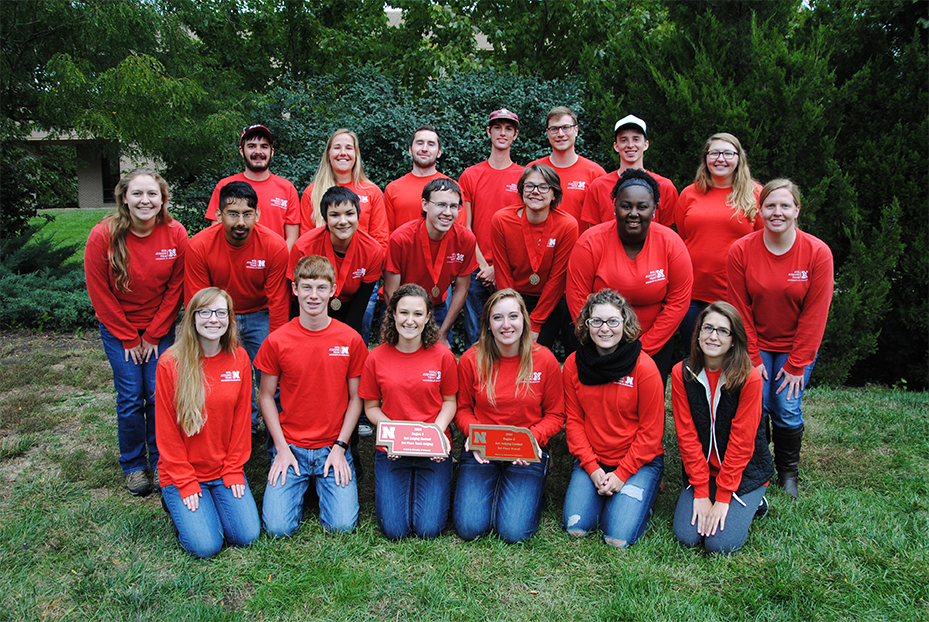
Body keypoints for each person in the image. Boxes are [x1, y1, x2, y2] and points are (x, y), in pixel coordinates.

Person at [727, 179, 834, 499]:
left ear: (797, 210)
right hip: (753, 345)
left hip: (796, 348)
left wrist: (798, 363)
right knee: (754, 405)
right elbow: (739, 308)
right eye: (770, 206)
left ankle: (788, 473)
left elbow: (815, 315)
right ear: (759, 210)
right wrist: (754, 358)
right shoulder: (741, 250)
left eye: (785, 206)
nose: (777, 212)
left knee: (786, 407)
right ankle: (758, 467)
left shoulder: (818, 253)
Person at [84, 167, 187, 496]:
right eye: (138, 194)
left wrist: (154, 333)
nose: (145, 200)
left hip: (160, 327)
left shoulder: (175, 233)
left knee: (159, 394)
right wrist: (129, 336)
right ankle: (133, 464)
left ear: (162, 199)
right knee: (131, 396)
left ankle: (160, 460)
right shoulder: (104, 235)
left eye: (152, 194)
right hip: (119, 328)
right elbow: (99, 291)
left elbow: (176, 288)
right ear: (124, 198)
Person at [256, 255, 367, 536]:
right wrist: (280, 448)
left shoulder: (350, 339)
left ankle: (320, 486)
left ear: (333, 290)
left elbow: (357, 397)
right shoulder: (277, 340)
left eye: (321, 287)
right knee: (278, 529)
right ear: (294, 290)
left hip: (332, 447)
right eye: (306, 287)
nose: (313, 296)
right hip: (291, 446)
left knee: (342, 526)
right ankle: (302, 484)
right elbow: (266, 396)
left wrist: (341, 447)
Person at [155, 288, 260, 558]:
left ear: (229, 319)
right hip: (183, 473)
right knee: (206, 546)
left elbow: (241, 422)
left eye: (220, 312)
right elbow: (166, 432)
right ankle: (177, 501)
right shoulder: (170, 363)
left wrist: (234, 468)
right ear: (192, 318)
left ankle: (208, 504)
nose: (213, 319)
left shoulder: (239, 359)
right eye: (205, 312)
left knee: (247, 535)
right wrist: (186, 481)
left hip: (223, 469)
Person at [453, 289, 565, 543]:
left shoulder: (544, 360)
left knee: (514, 532)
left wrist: (531, 439)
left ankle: (530, 485)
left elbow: (557, 414)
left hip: (526, 451)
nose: (506, 325)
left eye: (513, 316)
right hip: (483, 448)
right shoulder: (471, 359)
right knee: (470, 528)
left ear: (524, 320)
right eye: (498, 318)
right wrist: (474, 435)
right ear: (488, 324)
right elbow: (461, 410)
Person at [567, 168, 693, 383]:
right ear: (615, 207)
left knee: (646, 406)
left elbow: (678, 303)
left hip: (654, 342)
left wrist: (644, 347)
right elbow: (577, 298)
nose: (633, 213)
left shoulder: (671, 244)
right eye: (626, 206)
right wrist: (601, 339)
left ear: (654, 209)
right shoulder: (590, 242)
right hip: (600, 339)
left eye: (642, 207)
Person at [562, 289, 664, 548]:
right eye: (596, 321)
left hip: (637, 462)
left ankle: (642, 495)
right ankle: (606, 493)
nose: (604, 329)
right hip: (593, 461)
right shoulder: (574, 364)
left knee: (616, 537)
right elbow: (573, 421)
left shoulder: (644, 367)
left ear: (625, 324)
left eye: (613, 321)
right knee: (576, 528)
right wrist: (593, 468)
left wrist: (622, 474)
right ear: (587, 325)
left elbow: (651, 433)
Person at [186, 180, 289, 434]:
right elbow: (199, 300)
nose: (240, 222)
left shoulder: (274, 245)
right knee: (223, 375)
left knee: (272, 377)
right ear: (219, 215)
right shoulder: (199, 246)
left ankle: (279, 434)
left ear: (257, 214)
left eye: (247, 214)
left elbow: (278, 300)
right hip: (219, 316)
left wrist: (276, 345)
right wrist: (212, 330)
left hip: (260, 314)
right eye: (232, 214)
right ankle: (236, 428)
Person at [671, 301, 774, 554]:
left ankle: (756, 499)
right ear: (697, 335)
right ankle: (714, 494)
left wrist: (724, 497)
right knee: (686, 537)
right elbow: (687, 436)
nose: (713, 336)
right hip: (704, 471)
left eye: (722, 331)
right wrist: (702, 492)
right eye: (707, 328)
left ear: (734, 339)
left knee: (719, 545)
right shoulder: (682, 373)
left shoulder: (749, 378)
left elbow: (742, 442)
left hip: (744, 472)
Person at [359, 284, 458, 540]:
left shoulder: (443, 356)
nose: (409, 320)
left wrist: (437, 434)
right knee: (394, 530)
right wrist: (392, 433)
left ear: (427, 317)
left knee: (429, 529)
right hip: (392, 450)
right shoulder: (376, 357)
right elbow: (370, 407)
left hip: (433, 451)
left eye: (417, 314)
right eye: (403, 313)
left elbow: (450, 401)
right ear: (392, 315)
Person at [674, 133, 762, 348]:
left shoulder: (756, 194)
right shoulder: (689, 194)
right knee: (695, 353)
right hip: (692, 292)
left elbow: (762, 243)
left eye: (728, 153)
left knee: (730, 357)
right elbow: (685, 236)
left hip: (735, 294)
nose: (720, 159)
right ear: (705, 158)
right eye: (714, 153)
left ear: (739, 158)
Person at [491, 163, 578, 348]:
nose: (535, 191)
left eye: (543, 186)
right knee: (508, 353)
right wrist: (513, 313)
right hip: (512, 295)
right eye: (529, 186)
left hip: (549, 301)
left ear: (554, 193)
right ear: (522, 190)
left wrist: (536, 323)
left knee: (538, 355)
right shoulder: (502, 220)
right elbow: (502, 271)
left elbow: (557, 278)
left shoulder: (567, 225)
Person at [385, 178, 477, 348]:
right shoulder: (401, 239)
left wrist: (442, 332)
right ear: (425, 205)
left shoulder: (466, 240)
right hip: (405, 311)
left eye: (453, 206)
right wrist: (403, 320)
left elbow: (462, 289)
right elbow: (391, 291)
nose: (448, 212)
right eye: (441, 205)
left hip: (438, 309)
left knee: (437, 365)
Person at [459, 108, 525, 346]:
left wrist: (498, 267)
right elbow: (465, 227)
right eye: (497, 127)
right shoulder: (470, 175)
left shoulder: (524, 177)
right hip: (476, 269)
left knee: (510, 337)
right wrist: (485, 266)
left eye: (508, 128)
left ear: (515, 135)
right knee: (476, 339)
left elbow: (522, 229)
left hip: (511, 270)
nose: (502, 133)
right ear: (488, 131)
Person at [289, 186, 383, 337]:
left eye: (349, 214)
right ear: (325, 219)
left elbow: (359, 307)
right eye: (334, 215)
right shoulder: (304, 248)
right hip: (311, 310)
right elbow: (296, 301)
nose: (343, 221)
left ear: (358, 215)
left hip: (351, 309)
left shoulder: (372, 250)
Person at [203, 124, 301, 250]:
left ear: (271, 152)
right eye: (251, 146)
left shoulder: (287, 188)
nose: (258, 152)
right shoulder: (225, 186)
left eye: (264, 147)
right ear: (241, 151)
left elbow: (292, 238)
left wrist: (279, 263)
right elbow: (215, 232)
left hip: (275, 264)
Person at [580, 114, 678, 229]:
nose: (630, 145)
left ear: (646, 144)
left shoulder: (665, 187)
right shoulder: (598, 186)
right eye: (624, 140)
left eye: (636, 139)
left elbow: (667, 234)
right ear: (616, 146)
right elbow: (594, 233)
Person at [300, 128, 389, 250]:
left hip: (363, 264)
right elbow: (305, 239)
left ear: (356, 155)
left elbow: (381, 240)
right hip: (323, 265)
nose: (343, 153)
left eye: (348, 148)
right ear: (328, 154)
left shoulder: (372, 191)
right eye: (337, 148)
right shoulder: (312, 192)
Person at [528, 106, 605, 224]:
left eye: (566, 128)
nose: (560, 134)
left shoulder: (595, 173)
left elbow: (602, 221)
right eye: (554, 129)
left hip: (580, 242)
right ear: (547, 133)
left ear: (576, 130)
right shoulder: (533, 170)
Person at [384, 126, 453, 233]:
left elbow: (458, 233)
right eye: (420, 143)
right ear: (410, 150)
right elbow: (386, 234)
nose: (424, 148)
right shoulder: (392, 188)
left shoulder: (452, 189)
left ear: (439, 152)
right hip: (403, 249)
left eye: (431, 144)